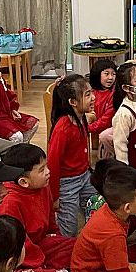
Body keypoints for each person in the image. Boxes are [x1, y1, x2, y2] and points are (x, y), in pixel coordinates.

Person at [0, 143, 76, 272]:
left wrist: (56, 239)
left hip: (41, 244)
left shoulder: (42, 185)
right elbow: (20, 244)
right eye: (42, 170)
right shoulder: (10, 203)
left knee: (80, 247)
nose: (48, 172)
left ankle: (52, 269)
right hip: (22, 254)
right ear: (24, 182)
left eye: (46, 166)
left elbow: (51, 217)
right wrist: (40, 262)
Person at [47, 74, 96, 237]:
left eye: (91, 92)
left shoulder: (81, 117)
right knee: (68, 231)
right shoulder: (63, 128)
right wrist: (54, 197)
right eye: (87, 94)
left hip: (85, 176)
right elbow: (52, 163)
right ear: (73, 102)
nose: (93, 97)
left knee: (97, 208)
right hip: (67, 183)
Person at [111, 62, 136, 164]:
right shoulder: (124, 114)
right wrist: (125, 169)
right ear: (126, 88)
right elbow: (120, 146)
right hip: (134, 165)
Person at [87, 59, 117, 159]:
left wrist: (87, 128)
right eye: (106, 74)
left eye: (113, 74)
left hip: (109, 130)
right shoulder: (92, 92)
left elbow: (106, 121)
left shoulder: (114, 95)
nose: (111, 77)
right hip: (98, 127)